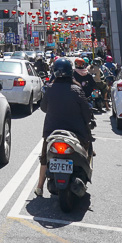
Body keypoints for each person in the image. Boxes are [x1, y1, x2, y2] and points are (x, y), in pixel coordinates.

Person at [35, 58, 94, 197]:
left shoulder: (50, 88)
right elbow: (86, 112)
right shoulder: (77, 89)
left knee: (44, 158)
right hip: (76, 132)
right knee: (87, 150)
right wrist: (88, 123)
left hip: (52, 132)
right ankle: (87, 171)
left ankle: (39, 187)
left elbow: (43, 108)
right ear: (70, 72)